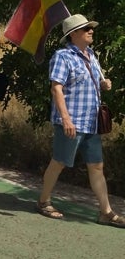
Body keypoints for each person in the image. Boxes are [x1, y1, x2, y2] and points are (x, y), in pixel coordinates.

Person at [36, 14, 125, 228]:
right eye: (86, 28)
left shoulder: (91, 55)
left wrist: (103, 85)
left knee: (96, 166)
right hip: (72, 122)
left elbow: (90, 82)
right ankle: (43, 201)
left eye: (90, 28)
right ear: (73, 33)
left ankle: (106, 212)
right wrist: (66, 119)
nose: (91, 31)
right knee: (59, 162)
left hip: (91, 123)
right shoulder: (63, 56)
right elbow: (56, 88)